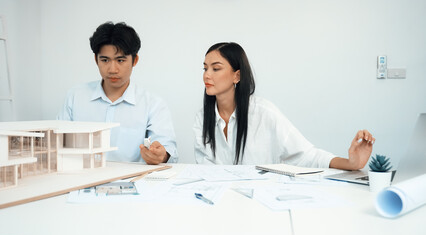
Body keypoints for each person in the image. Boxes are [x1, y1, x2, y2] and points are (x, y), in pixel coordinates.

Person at [194, 42, 374, 170]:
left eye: (215, 69)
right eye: (205, 68)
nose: (207, 75)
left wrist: (352, 164)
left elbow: (306, 156)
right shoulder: (202, 118)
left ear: (237, 76)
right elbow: (205, 170)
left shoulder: (264, 113)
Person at [57, 22, 178, 164]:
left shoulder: (153, 104)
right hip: (82, 179)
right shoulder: (75, 97)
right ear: (96, 59)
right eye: (105, 60)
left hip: (133, 182)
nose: (112, 69)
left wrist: (160, 155)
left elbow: (169, 152)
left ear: (135, 60)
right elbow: (57, 143)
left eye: (120, 60)